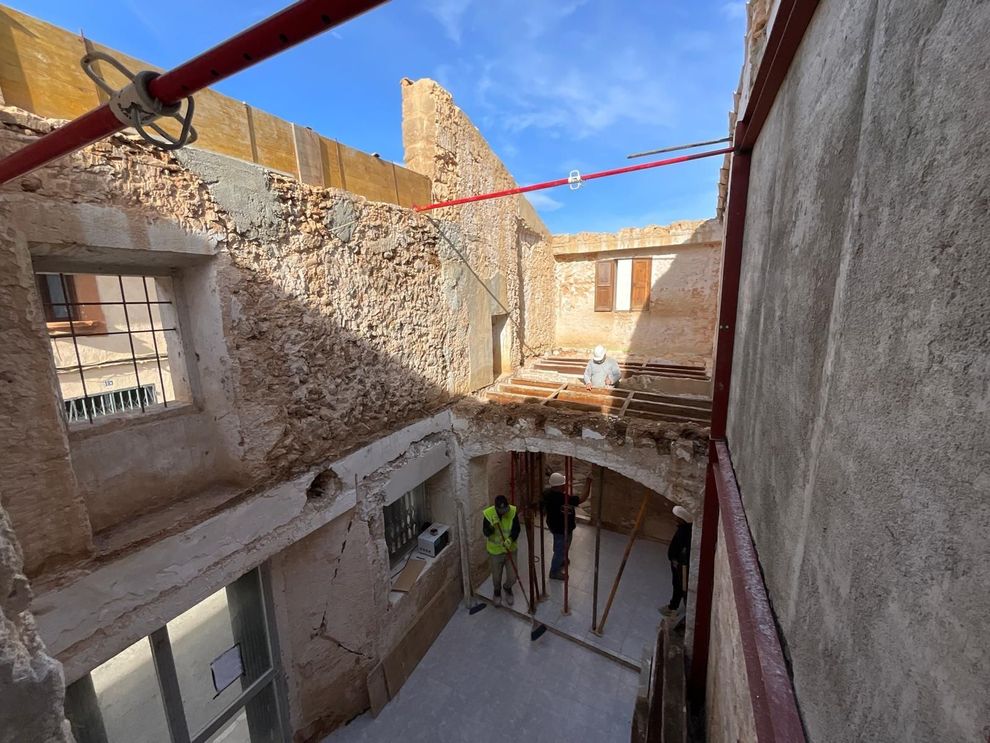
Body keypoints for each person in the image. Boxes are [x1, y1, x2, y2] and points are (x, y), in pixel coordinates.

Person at [541, 472, 589, 579]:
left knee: (559, 545)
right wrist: (588, 483)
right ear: (560, 486)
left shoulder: (547, 494)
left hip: (554, 526)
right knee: (560, 549)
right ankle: (554, 572)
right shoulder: (564, 498)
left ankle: (561, 559)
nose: (566, 485)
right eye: (564, 484)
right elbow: (582, 498)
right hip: (562, 529)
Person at [482, 495, 521, 607]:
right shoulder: (489, 514)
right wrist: (491, 527)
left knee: (513, 576)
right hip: (495, 552)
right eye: (502, 511)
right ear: (496, 508)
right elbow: (486, 533)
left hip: (510, 550)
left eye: (506, 510)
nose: (504, 512)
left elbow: (517, 529)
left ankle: (507, 587)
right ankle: (497, 592)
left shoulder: (512, 511)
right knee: (496, 576)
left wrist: (510, 539)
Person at [662, 506, 694, 617]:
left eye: (677, 517)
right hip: (678, 563)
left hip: (680, 565)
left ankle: (673, 608)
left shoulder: (684, 532)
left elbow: (684, 549)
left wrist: (677, 561)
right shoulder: (683, 528)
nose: (675, 518)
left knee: (678, 585)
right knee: (677, 584)